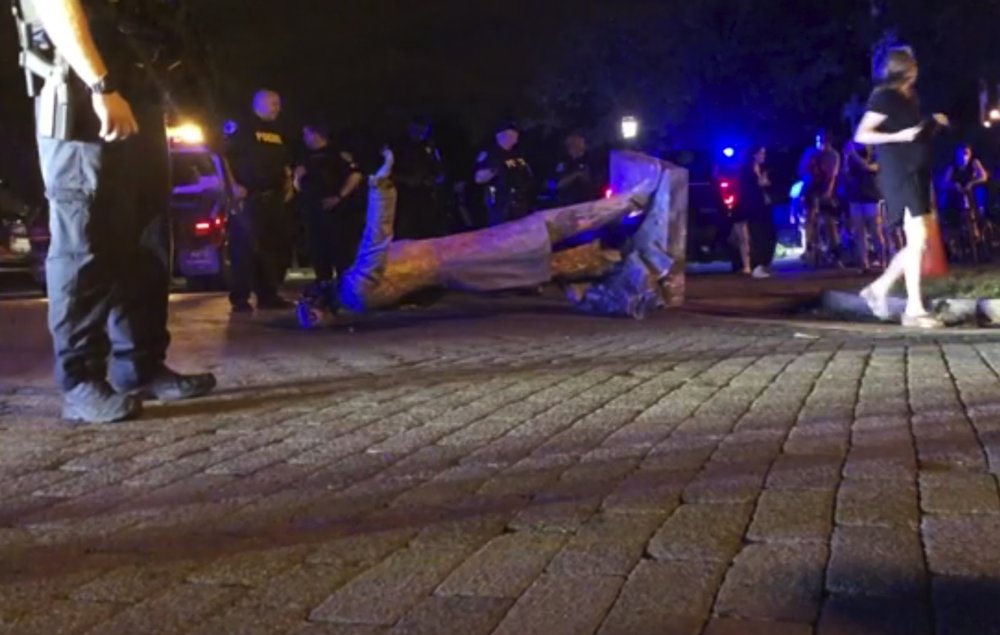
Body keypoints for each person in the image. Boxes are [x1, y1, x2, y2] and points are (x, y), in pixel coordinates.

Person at [23, 0, 215, 423]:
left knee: (147, 240)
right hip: (81, 97)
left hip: (135, 99)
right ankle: (80, 381)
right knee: (84, 246)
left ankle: (140, 367)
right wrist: (100, 85)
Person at [856, 47, 949, 328]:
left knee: (917, 242)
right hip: (899, 173)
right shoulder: (884, 96)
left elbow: (914, 135)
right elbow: (862, 134)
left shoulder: (911, 97)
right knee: (918, 239)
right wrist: (900, 135)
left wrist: (931, 126)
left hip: (916, 172)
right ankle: (912, 307)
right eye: (912, 64)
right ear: (905, 68)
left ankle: (881, 290)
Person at [225, 89, 295, 313]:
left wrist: (288, 181)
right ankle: (240, 297)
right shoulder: (242, 127)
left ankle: (268, 294)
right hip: (249, 198)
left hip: (273, 197)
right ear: (260, 103)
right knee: (244, 248)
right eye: (273, 103)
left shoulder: (277, 131)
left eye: (278, 103)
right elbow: (222, 156)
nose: (278, 108)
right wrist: (232, 185)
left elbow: (283, 159)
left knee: (273, 247)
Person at [293, 121, 365, 283]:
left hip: (337, 212)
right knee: (318, 252)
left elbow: (355, 176)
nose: (304, 138)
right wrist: (297, 177)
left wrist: (340, 196)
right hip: (312, 212)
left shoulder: (337, 154)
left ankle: (344, 287)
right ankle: (324, 288)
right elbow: (298, 187)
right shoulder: (305, 157)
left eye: (306, 134)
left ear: (316, 134)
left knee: (341, 253)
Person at [393, 116, 447, 239]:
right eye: (418, 131)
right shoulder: (398, 146)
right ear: (410, 128)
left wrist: (435, 179)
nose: (420, 135)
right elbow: (385, 173)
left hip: (426, 195)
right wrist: (406, 179)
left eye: (424, 132)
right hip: (404, 196)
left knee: (429, 229)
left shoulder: (429, 146)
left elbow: (440, 169)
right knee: (406, 229)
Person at [474, 121, 534, 226]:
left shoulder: (518, 153)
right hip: (498, 202)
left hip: (518, 202)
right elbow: (478, 178)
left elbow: (526, 172)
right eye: (510, 134)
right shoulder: (490, 153)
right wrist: (498, 169)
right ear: (500, 135)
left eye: (515, 134)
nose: (514, 137)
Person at [798, 129, 842, 266]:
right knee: (809, 219)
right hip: (811, 189)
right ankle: (809, 247)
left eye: (823, 142)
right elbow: (802, 171)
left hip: (826, 189)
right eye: (818, 141)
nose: (820, 145)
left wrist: (828, 192)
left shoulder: (833, 155)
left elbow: (832, 176)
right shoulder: (810, 153)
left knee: (829, 221)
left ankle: (835, 252)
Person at [843, 140, 886, 272]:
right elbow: (846, 172)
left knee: (875, 232)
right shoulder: (854, 157)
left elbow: (869, 167)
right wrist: (846, 157)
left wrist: (853, 154)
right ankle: (864, 263)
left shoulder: (877, 156)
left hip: (871, 198)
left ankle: (883, 260)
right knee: (859, 233)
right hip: (856, 197)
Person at [739, 145, 775, 279]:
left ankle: (764, 264)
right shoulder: (747, 170)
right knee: (757, 235)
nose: (763, 156)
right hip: (753, 207)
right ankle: (756, 265)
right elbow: (750, 188)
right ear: (754, 154)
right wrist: (761, 182)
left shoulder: (761, 169)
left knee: (768, 235)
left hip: (764, 206)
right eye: (761, 153)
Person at [549, 130, 599, 207]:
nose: (580, 143)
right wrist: (576, 175)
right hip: (565, 204)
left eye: (581, 140)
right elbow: (556, 184)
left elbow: (594, 182)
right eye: (575, 140)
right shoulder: (562, 162)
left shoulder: (590, 160)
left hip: (585, 204)